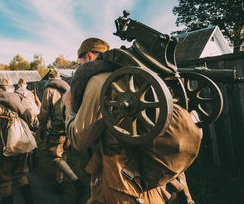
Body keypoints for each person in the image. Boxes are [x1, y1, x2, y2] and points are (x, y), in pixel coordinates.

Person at [64, 38, 199, 203]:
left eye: (80, 63)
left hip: (124, 180)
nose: (80, 67)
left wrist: (69, 107)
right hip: (160, 172)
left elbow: (79, 139)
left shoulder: (98, 81)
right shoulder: (136, 74)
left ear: (90, 56)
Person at [38, 69, 85, 203]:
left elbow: (44, 111)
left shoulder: (49, 89)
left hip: (57, 127)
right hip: (69, 124)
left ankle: (77, 182)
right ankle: (59, 182)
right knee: (63, 154)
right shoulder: (68, 88)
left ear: (50, 78)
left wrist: (41, 129)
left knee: (54, 155)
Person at [0, 78, 35, 204]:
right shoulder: (21, 99)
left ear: (1, 89)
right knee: (21, 175)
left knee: (4, 180)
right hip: (23, 144)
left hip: (6, 147)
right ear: (12, 88)